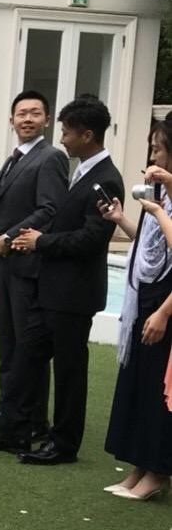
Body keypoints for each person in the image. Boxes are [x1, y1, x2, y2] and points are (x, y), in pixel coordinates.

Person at [0, 96, 124, 464]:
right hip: (51, 289)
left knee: (70, 372)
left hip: (75, 295)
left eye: (67, 132)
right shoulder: (83, 171)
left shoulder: (106, 179)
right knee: (26, 359)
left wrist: (41, 241)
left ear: (87, 135)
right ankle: (14, 431)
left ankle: (64, 445)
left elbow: (93, 239)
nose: (62, 138)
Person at [0, 89, 68, 436]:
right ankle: (8, 410)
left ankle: (34, 421)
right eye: (22, 113)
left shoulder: (51, 158)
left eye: (35, 113)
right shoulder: (12, 159)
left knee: (29, 347)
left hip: (26, 266)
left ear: (47, 120)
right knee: (8, 343)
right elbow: (1, 207)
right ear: (11, 120)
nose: (27, 119)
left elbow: (50, 209)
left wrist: (10, 236)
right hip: (2, 265)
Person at [100, 121, 172, 500]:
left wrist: (164, 312)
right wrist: (121, 220)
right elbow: (147, 248)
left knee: (159, 390)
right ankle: (139, 466)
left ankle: (157, 471)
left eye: (158, 149)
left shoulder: (162, 201)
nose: (152, 157)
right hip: (145, 295)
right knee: (140, 384)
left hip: (165, 302)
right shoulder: (158, 197)